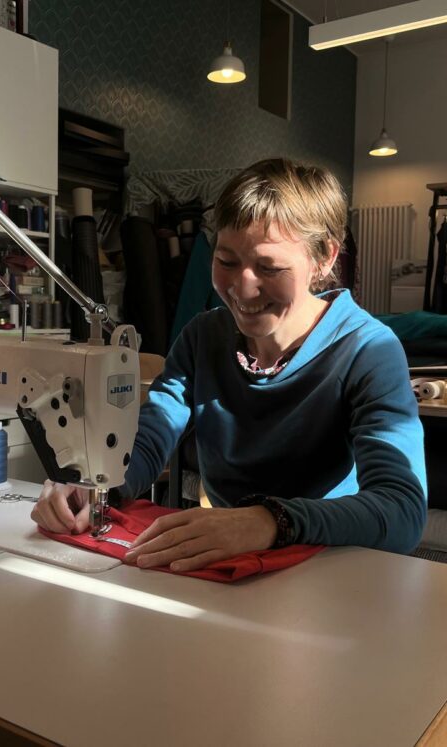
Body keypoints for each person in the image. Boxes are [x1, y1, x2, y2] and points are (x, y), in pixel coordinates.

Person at [32, 158, 427, 572]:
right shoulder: (204, 337)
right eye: (226, 261)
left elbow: (402, 511)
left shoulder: (367, 349)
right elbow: (150, 436)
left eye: (269, 267)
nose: (242, 287)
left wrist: (270, 521)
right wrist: (94, 482)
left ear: (324, 258)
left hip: (327, 567)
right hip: (231, 567)